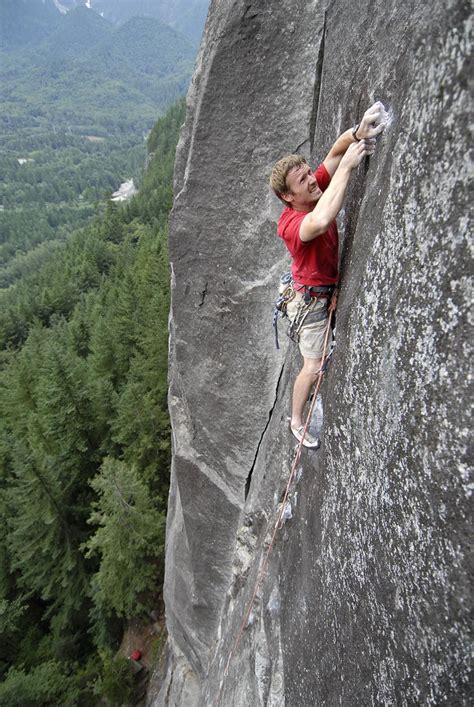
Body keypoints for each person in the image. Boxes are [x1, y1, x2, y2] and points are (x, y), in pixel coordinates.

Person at [269, 101, 386, 448]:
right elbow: (320, 221)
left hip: (318, 288)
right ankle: (295, 419)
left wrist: (357, 133)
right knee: (313, 366)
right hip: (310, 305)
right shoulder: (290, 224)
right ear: (288, 197)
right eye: (303, 180)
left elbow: (334, 155)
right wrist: (349, 167)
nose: (312, 178)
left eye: (307, 172)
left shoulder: (312, 188)